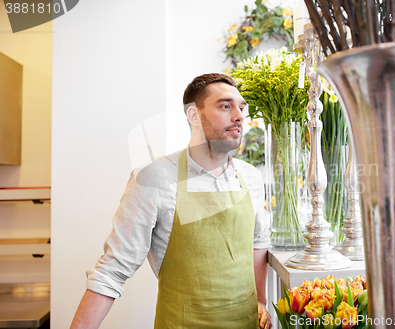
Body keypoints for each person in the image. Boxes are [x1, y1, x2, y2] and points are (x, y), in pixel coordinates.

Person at [70, 73, 272, 329]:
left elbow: (258, 241)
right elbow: (113, 269)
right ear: (193, 115)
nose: (239, 116)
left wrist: (261, 300)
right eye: (225, 106)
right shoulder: (154, 178)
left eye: (241, 107)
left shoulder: (251, 177)